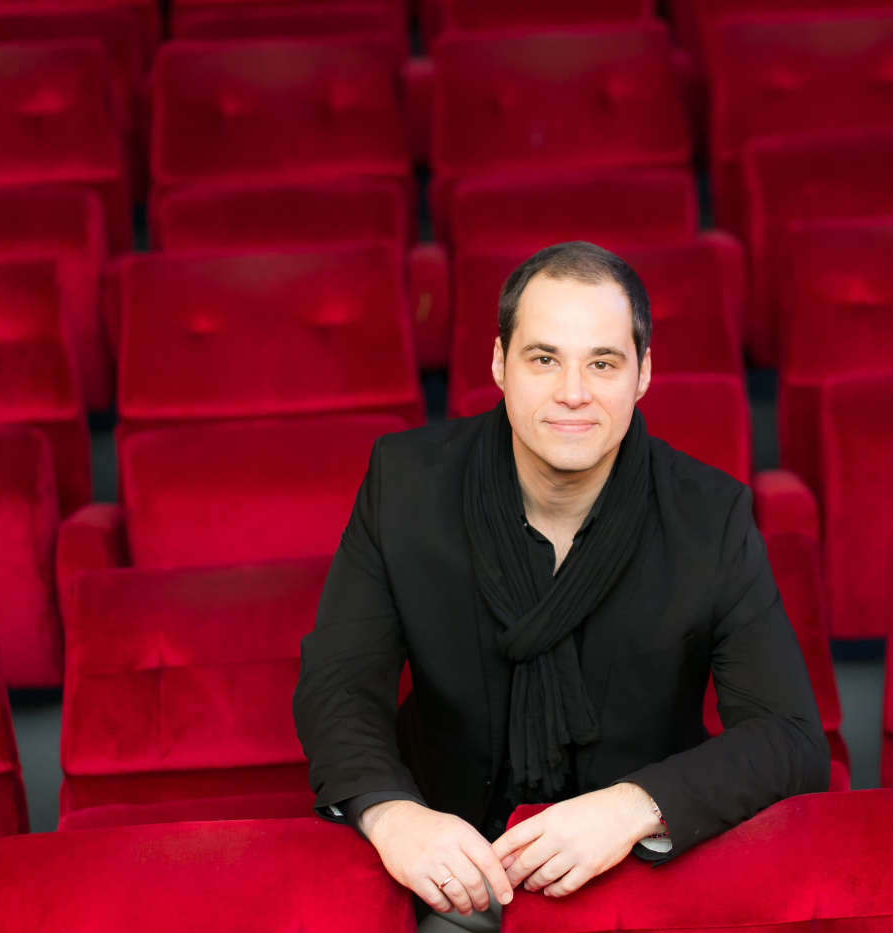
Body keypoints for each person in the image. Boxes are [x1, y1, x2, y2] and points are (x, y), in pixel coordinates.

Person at [294, 241, 830, 932]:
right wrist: (392, 814)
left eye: (602, 363)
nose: (573, 392)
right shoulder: (404, 486)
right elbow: (338, 685)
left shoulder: (710, 515)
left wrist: (634, 806)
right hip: (465, 866)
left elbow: (791, 737)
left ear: (642, 373)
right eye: (544, 358)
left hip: (638, 863)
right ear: (499, 363)